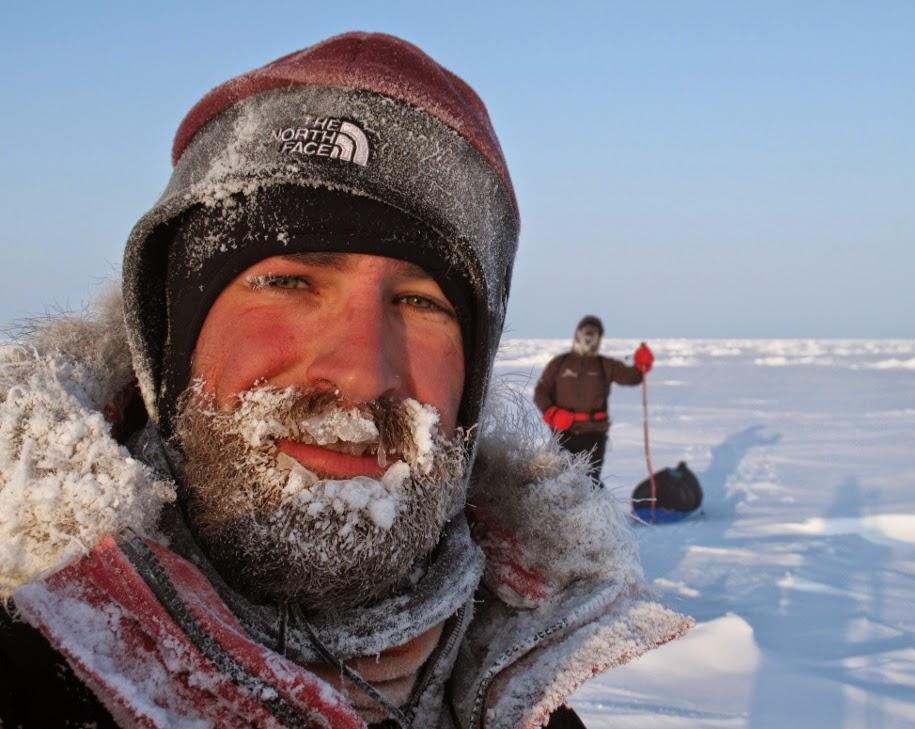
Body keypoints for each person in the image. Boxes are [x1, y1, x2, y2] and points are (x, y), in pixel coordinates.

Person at [0, 33, 690, 728]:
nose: (362, 373)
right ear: (169, 343)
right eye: (289, 281)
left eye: (420, 301)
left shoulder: (527, 710)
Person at [534, 316, 654, 481]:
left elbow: (631, 377)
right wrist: (552, 412)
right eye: (586, 332)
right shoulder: (559, 363)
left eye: (594, 333)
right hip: (563, 433)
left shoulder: (605, 365)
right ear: (578, 334)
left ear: (599, 337)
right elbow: (541, 391)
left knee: (589, 481)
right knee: (560, 480)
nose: (589, 336)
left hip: (594, 435)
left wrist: (641, 365)